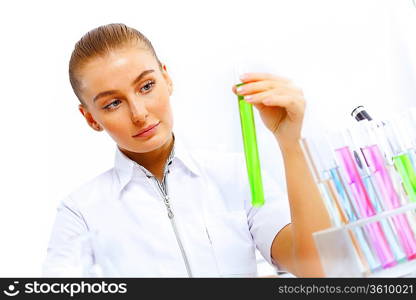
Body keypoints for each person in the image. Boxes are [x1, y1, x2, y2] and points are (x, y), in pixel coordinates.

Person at [42, 23, 331, 277]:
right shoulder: (80, 212)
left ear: (166, 79)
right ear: (91, 117)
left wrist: (290, 143)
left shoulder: (236, 175)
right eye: (112, 103)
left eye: (146, 86)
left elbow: (317, 270)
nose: (139, 113)